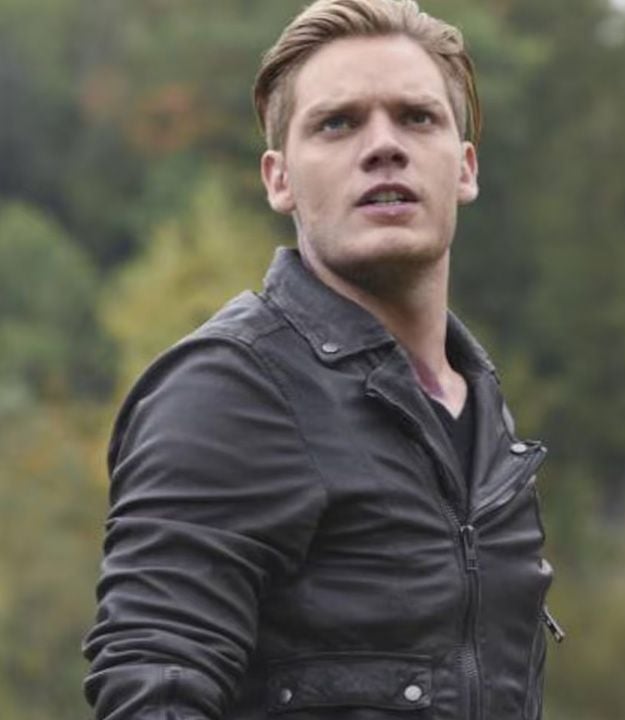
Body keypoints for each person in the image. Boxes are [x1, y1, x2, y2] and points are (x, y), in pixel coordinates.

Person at [82, 1, 558, 718]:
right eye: (338, 124)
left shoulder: (485, 417)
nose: (384, 146)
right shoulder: (229, 390)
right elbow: (153, 688)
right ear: (279, 180)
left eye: (417, 118)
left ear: (465, 168)